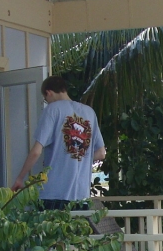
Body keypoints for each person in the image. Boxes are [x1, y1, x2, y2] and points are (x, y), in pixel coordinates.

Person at [11, 75, 106, 209]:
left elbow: (36, 151)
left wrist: (20, 178)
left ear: (49, 93)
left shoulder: (52, 109)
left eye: (46, 99)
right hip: (81, 197)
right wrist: (77, 158)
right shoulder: (90, 113)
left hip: (53, 195)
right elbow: (101, 153)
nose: (47, 102)